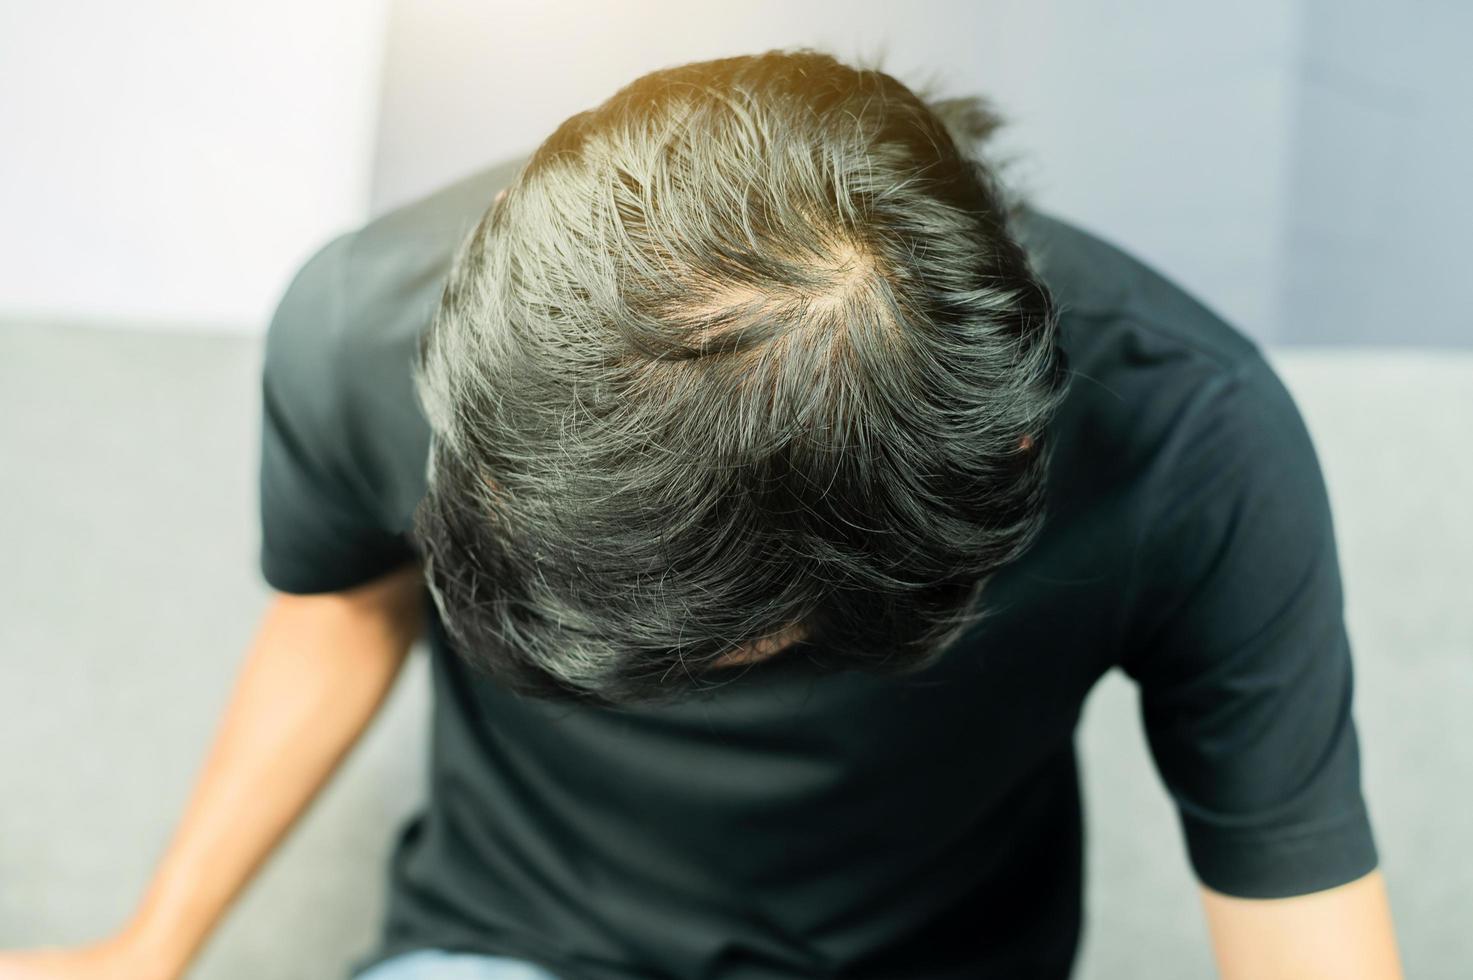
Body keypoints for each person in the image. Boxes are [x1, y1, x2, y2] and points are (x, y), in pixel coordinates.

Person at [0, 49, 1403, 980]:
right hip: (514, 947)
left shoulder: (1195, 433)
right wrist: (151, 943)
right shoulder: (371, 323)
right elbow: (341, 606)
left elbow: (1296, 895)